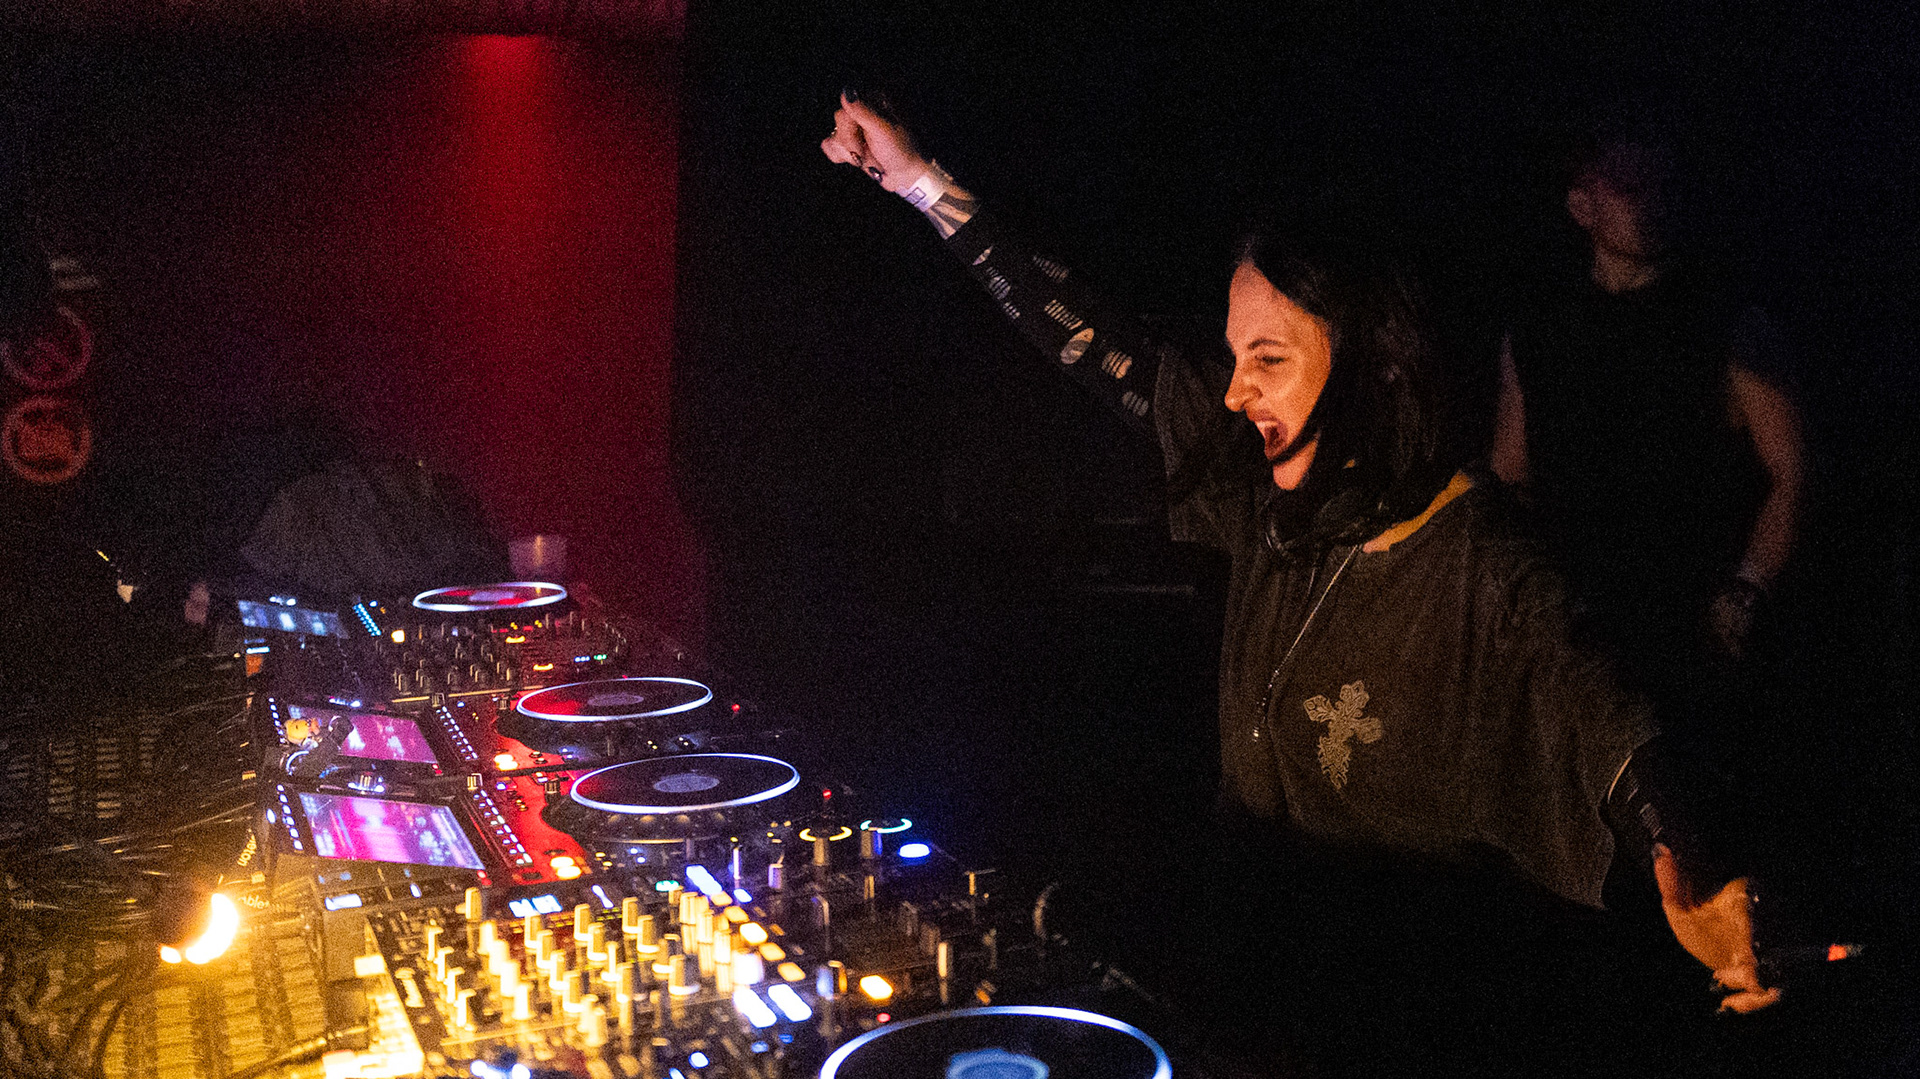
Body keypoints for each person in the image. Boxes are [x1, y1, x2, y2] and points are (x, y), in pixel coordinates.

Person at [821, 92, 1779, 1072]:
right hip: (1247, 1005)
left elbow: (1614, 725)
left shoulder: (1484, 562)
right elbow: (1101, 345)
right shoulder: (1272, 501)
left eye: (1269, 358)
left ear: (1376, 365)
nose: (1238, 391)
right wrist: (918, 181)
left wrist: (1697, 870)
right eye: (1237, 356)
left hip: (1401, 1031)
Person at [1492, 135, 1805, 698]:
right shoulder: (1539, 328)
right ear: (1582, 205)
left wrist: (1745, 592)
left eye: (1663, 185)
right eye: (1631, 186)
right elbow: (1511, 473)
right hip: (1574, 628)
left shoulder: (1725, 321)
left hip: (1691, 629)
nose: (1653, 201)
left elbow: (1791, 475)